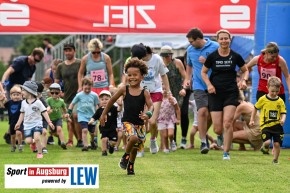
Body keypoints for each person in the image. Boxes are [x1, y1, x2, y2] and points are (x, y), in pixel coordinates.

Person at [100, 58, 153, 175]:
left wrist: (148, 114)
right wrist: (103, 114)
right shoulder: (124, 89)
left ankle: (131, 165)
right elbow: (111, 101)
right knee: (133, 138)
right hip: (127, 122)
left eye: (135, 75)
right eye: (129, 75)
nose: (132, 77)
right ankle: (125, 157)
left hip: (140, 124)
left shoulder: (145, 92)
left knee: (134, 147)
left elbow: (151, 106)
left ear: (142, 77)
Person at [201, 29, 248, 160]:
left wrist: (243, 80)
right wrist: (209, 85)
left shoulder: (235, 56)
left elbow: (245, 70)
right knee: (217, 129)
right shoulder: (212, 56)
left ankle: (226, 152)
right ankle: (220, 136)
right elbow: (203, 72)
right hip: (215, 93)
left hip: (231, 93)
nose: (224, 41)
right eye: (221, 39)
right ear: (218, 40)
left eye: (226, 38)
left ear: (230, 39)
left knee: (227, 123)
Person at [185, 27, 219, 154]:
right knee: (202, 111)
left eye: (191, 41)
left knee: (214, 116)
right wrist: (187, 79)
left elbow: (223, 62)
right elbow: (189, 65)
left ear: (199, 39)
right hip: (198, 85)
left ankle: (218, 137)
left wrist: (208, 62)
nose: (190, 44)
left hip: (215, 85)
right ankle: (204, 142)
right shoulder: (190, 50)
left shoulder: (215, 46)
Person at [141, 45, 171, 155]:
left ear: (148, 54)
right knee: (142, 121)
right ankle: (141, 146)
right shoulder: (138, 60)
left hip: (156, 91)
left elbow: (163, 75)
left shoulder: (157, 59)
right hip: (142, 92)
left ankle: (153, 139)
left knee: (152, 121)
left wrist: (168, 91)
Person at [250, 76, 286, 164]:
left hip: (277, 126)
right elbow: (255, 108)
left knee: (277, 144)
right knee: (267, 142)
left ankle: (275, 160)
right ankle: (264, 147)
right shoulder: (263, 99)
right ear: (267, 88)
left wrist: (283, 119)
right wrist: (252, 120)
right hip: (265, 125)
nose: (274, 93)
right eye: (272, 91)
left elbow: (283, 112)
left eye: (277, 91)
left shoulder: (280, 101)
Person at [14, 81, 55, 159]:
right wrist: (18, 123)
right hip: (27, 125)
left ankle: (40, 153)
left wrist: (49, 122)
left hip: (37, 123)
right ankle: (34, 143)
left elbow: (44, 112)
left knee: (37, 137)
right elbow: (22, 113)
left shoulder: (38, 102)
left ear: (29, 92)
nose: (21, 92)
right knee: (28, 141)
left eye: (23, 90)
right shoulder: (23, 103)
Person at [55, 43, 83, 147]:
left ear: (74, 51)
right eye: (66, 50)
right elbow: (56, 82)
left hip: (79, 95)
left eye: (69, 50)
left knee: (76, 116)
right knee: (69, 120)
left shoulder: (80, 63)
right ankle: (74, 140)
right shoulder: (60, 66)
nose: (67, 52)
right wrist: (58, 93)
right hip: (66, 96)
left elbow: (85, 76)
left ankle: (80, 139)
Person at [159, 45, 187, 148]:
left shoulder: (177, 63)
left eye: (168, 55)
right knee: (170, 116)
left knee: (182, 113)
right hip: (167, 93)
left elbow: (186, 77)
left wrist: (184, 88)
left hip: (179, 92)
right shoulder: (160, 65)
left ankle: (183, 138)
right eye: (165, 56)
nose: (167, 58)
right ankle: (172, 141)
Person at [66, 77, 99, 151]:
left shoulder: (94, 95)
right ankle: (85, 146)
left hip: (91, 116)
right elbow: (72, 103)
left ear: (92, 86)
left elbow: (97, 105)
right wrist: (69, 112)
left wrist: (99, 114)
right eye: (85, 85)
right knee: (84, 130)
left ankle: (92, 141)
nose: (87, 87)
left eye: (89, 85)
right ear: (82, 86)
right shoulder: (79, 95)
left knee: (92, 132)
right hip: (82, 115)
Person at [89, 90, 120, 156]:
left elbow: (119, 109)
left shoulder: (113, 108)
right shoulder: (99, 110)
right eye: (102, 99)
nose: (104, 101)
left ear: (111, 100)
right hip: (104, 128)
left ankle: (111, 146)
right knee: (104, 139)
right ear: (99, 101)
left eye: (106, 99)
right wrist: (91, 120)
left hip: (112, 128)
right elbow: (94, 117)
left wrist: (120, 105)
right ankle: (104, 151)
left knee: (113, 142)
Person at [157, 85, 180, 153]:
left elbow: (177, 109)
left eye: (165, 89)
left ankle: (172, 142)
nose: (164, 91)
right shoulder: (158, 99)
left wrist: (178, 119)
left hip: (170, 119)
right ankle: (166, 148)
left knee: (170, 134)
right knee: (164, 135)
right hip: (161, 119)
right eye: (162, 89)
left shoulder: (172, 99)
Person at [46, 83, 68, 150]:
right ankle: (59, 137)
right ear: (50, 93)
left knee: (59, 129)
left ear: (60, 93)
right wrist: (48, 111)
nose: (54, 94)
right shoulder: (48, 100)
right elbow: (46, 110)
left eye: (56, 93)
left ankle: (63, 143)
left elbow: (64, 109)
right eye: (52, 93)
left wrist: (66, 114)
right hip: (51, 119)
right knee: (54, 133)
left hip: (58, 118)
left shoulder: (61, 101)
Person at [3, 85, 23, 152]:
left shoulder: (22, 103)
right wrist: (2, 100)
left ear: (21, 95)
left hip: (20, 122)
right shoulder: (9, 103)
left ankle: (20, 145)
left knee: (19, 133)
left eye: (18, 95)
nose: (16, 96)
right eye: (14, 95)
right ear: (11, 96)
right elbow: (3, 105)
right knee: (13, 136)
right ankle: (13, 146)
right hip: (12, 122)